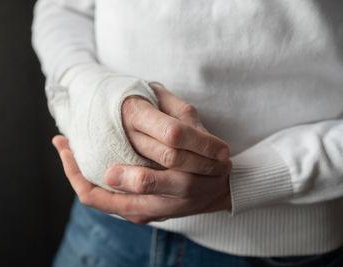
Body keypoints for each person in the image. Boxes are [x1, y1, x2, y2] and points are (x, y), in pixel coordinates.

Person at [32, 0, 343, 266]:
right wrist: (85, 89)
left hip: (281, 245)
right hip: (105, 220)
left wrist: (246, 180)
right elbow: (65, 8)